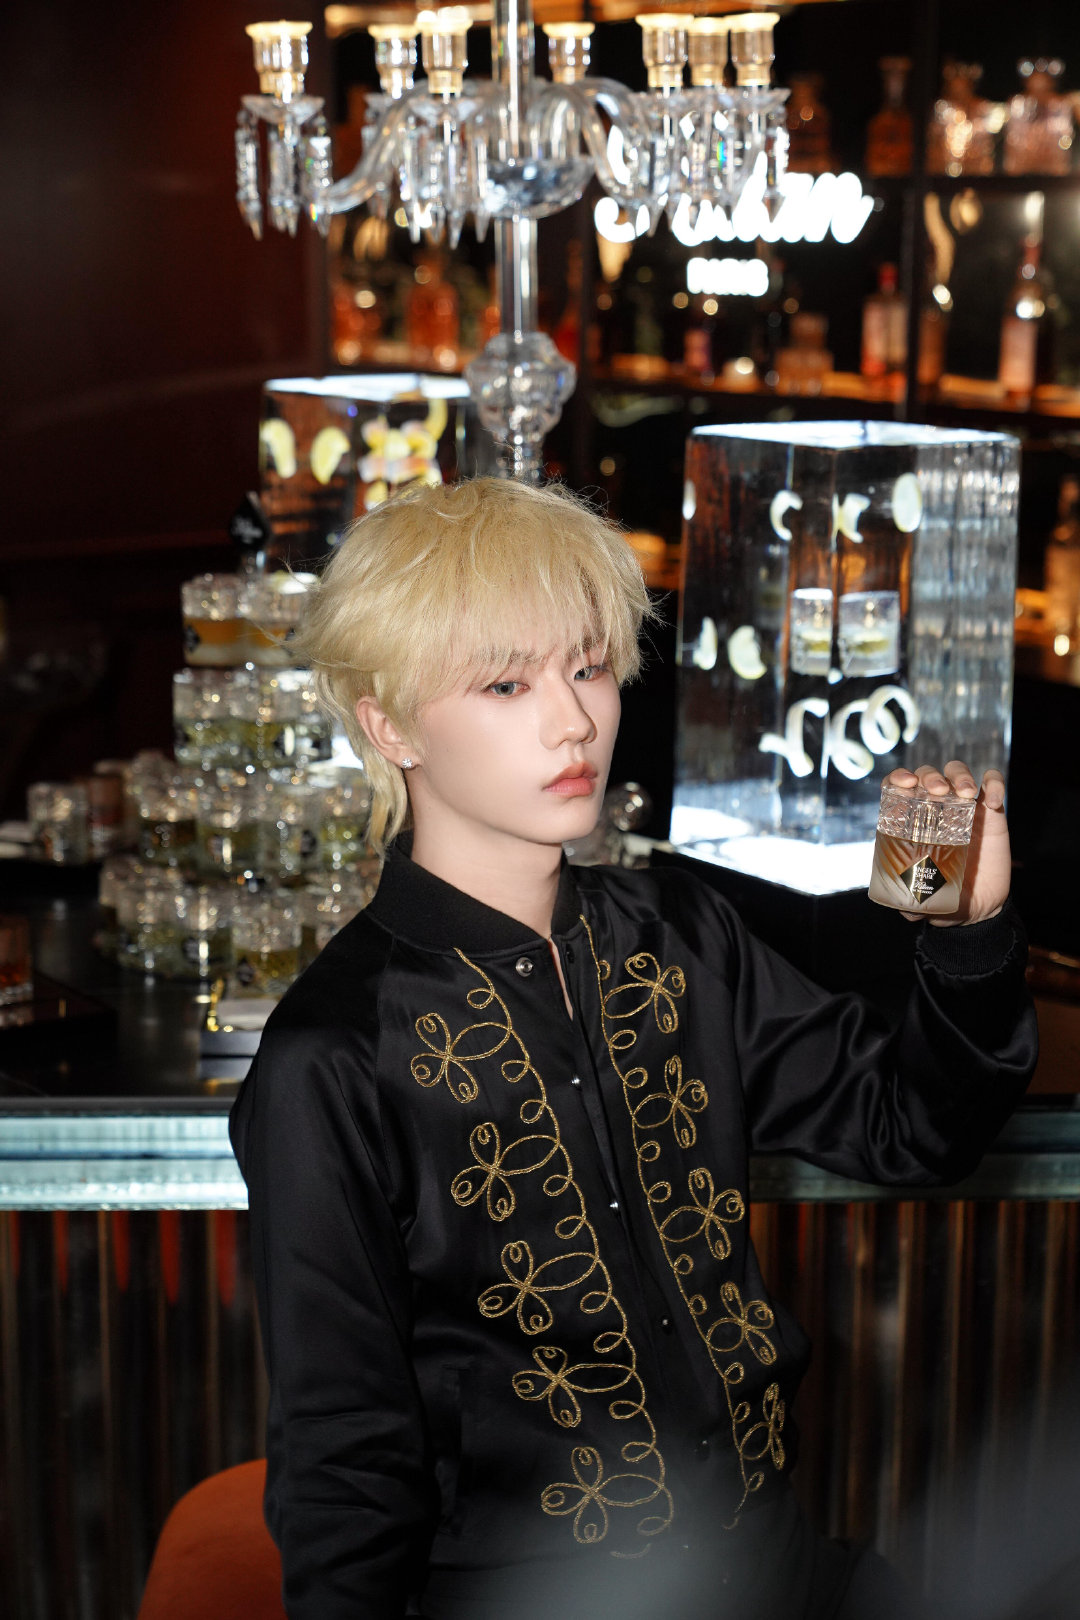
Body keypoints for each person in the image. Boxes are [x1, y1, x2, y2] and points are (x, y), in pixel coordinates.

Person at [229, 476, 1037, 1620]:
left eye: (590, 668)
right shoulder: (334, 1055)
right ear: (389, 725)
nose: (572, 723)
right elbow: (344, 1462)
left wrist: (965, 935)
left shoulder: (682, 938)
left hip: (778, 1572)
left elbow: (913, 1127)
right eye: (506, 683)